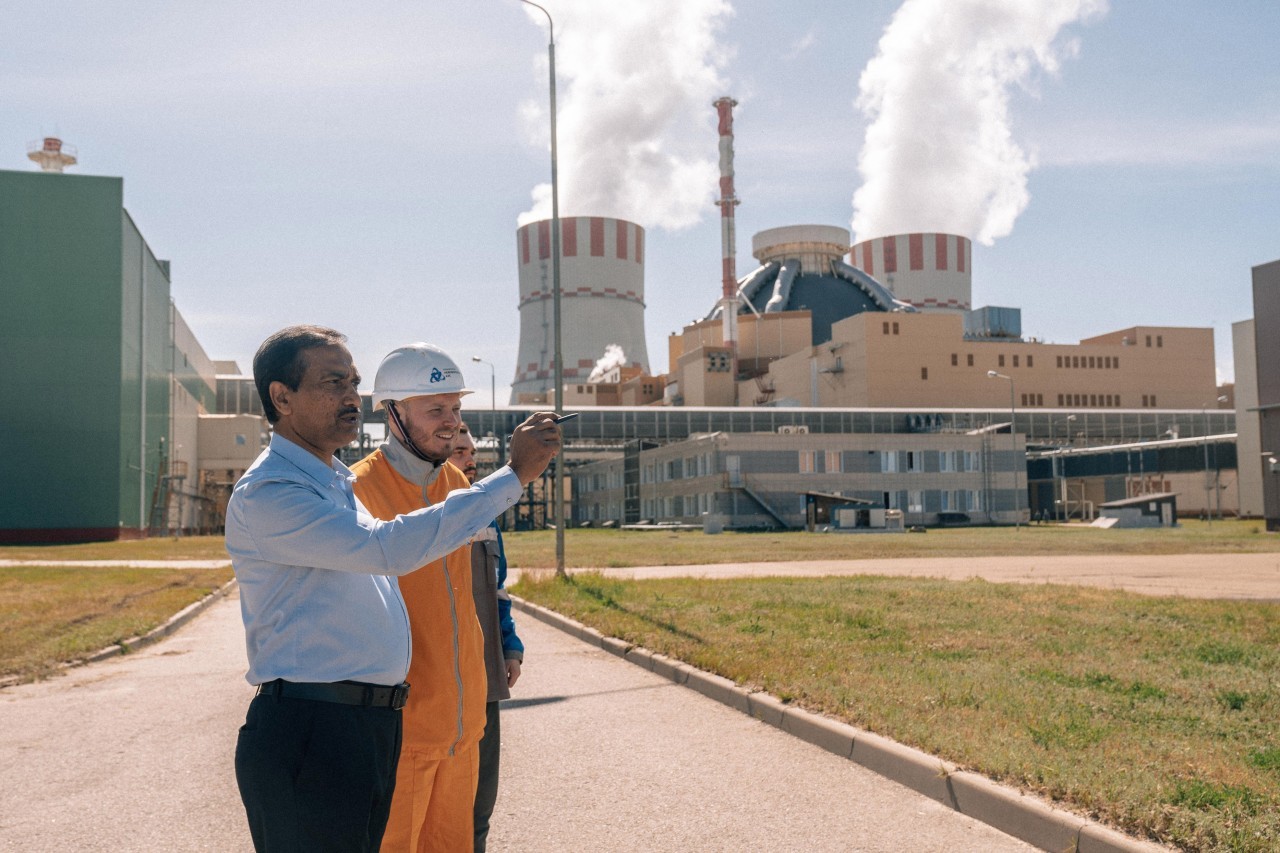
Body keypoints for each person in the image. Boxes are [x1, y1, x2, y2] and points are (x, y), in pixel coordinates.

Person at [225, 325, 560, 853]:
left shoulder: (334, 485)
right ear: (281, 397)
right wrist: (516, 474)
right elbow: (386, 549)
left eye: (353, 382)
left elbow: (477, 586)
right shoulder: (274, 492)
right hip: (317, 728)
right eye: (333, 382)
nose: (350, 396)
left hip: (374, 724)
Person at [347, 343, 500, 851]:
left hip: (463, 724)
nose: (452, 423)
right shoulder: (358, 490)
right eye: (435, 409)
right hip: (401, 734)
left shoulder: (457, 481)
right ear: (393, 414)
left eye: (455, 408)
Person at [451, 423, 523, 853]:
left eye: (473, 453)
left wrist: (510, 646)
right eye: (460, 451)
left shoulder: (486, 519)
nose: (470, 459)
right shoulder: (418, 518)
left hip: (484, 675)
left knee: (480, 799)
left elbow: (498, 590)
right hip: (431, 678)